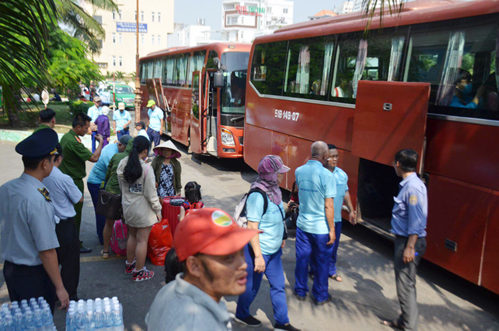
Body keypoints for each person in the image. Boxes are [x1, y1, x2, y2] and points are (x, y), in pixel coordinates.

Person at [146, 208, 260, 331]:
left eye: (241, 252)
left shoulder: (169, 289)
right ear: (194, 266)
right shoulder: (198, 324)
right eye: (228, 258)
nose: (243, 265)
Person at [0, 129, 70, 312]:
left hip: (11, 271)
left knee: (23, 321)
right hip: (33, 276)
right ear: (45, 164)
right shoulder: (38, 199)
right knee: (39, 323)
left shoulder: (6, 188)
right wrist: (60, 287)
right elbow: (46, 251)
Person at [235, 155, 300, 331]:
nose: (281, 176)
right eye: (278, 173)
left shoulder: (275, 191)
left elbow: (278, 218)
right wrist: (258, 257)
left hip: (273, 251)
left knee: (278, 286)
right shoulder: (257, 195)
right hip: (257, 251)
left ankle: (282, 323)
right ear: (270, 174)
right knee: (251, 288)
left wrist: (281, 238)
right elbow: (251, 227)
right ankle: (241, 314)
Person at [381, 149, 427, 331]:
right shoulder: (411, 183)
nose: (393, 165)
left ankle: (409, 327)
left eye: (394, 162)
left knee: (405, 287)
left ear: (398, 164)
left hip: (408, 243)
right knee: (408, 284)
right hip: (408, 242)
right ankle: (405, 321)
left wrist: (410, 247)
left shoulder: (412, 187)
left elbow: (416, 220)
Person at [293, 141, 336, 305]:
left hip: (303, 225)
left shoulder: (299, 171)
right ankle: (320, 295)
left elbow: (298, 192)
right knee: (322, 262)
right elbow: (329, 205)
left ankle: (300, 290)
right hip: (321, 229)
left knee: (302, 259)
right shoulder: (327, 176)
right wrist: (332, 229)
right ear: (325, 156)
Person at [309, 144, 356, 282]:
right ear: (325, 156)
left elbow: (345, 193)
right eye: (331, 156)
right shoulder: (319, 174)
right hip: (320, 219)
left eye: (336, 156)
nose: (334, 159)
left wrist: (352, 210)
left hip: (336, 219)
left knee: (333, 247)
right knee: (317, 248)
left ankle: (331, 270)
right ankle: (314, 270)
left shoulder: (342, 174)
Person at [117, 136, 162, 281]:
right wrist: (158, 210)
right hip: (142, 210)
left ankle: (129, 265)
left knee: (132, 236)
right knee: (142, 241)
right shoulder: (146, 169)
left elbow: (122, 187)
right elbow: (151, 194)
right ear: (145, 151)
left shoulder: (123, 163)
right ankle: (139, 272)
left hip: (128, 207)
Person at [42, 143, 83, 301]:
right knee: (70, 264)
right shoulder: (63, 178)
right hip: (65, 225)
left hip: (48, 223)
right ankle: (70, 296)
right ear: (58, 158)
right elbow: (78, 198)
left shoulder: (41, 176)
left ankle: (50, 292)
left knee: (50, 260)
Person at [59, 113, 104, 253]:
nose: (87, 130)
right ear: (78, 127)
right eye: (85, 128)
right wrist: (101, 142)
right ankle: (74, 244)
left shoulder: (68, 137)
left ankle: (68, 241)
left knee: (67, 213)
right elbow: (94, 157)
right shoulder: (73, 142)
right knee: (75, 214)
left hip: (66, 179)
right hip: (73, 181)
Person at [87, 135, 132, 244]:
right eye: (127, 149)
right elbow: (116, 175)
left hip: (105, 181)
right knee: (103, 212)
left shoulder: (118, 150)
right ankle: (103, 239)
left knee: (108, 213)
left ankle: (108, 236)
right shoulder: (111, 153)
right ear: (120, 144)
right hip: (96, 183)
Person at [101, 138, 134, 259]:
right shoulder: (135, 160)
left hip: (112, 193)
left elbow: (108, 174)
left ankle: (105, 251)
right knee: (130, 226)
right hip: (127, 195)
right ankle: (129, 254)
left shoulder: (116, 156)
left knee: (109, 223)